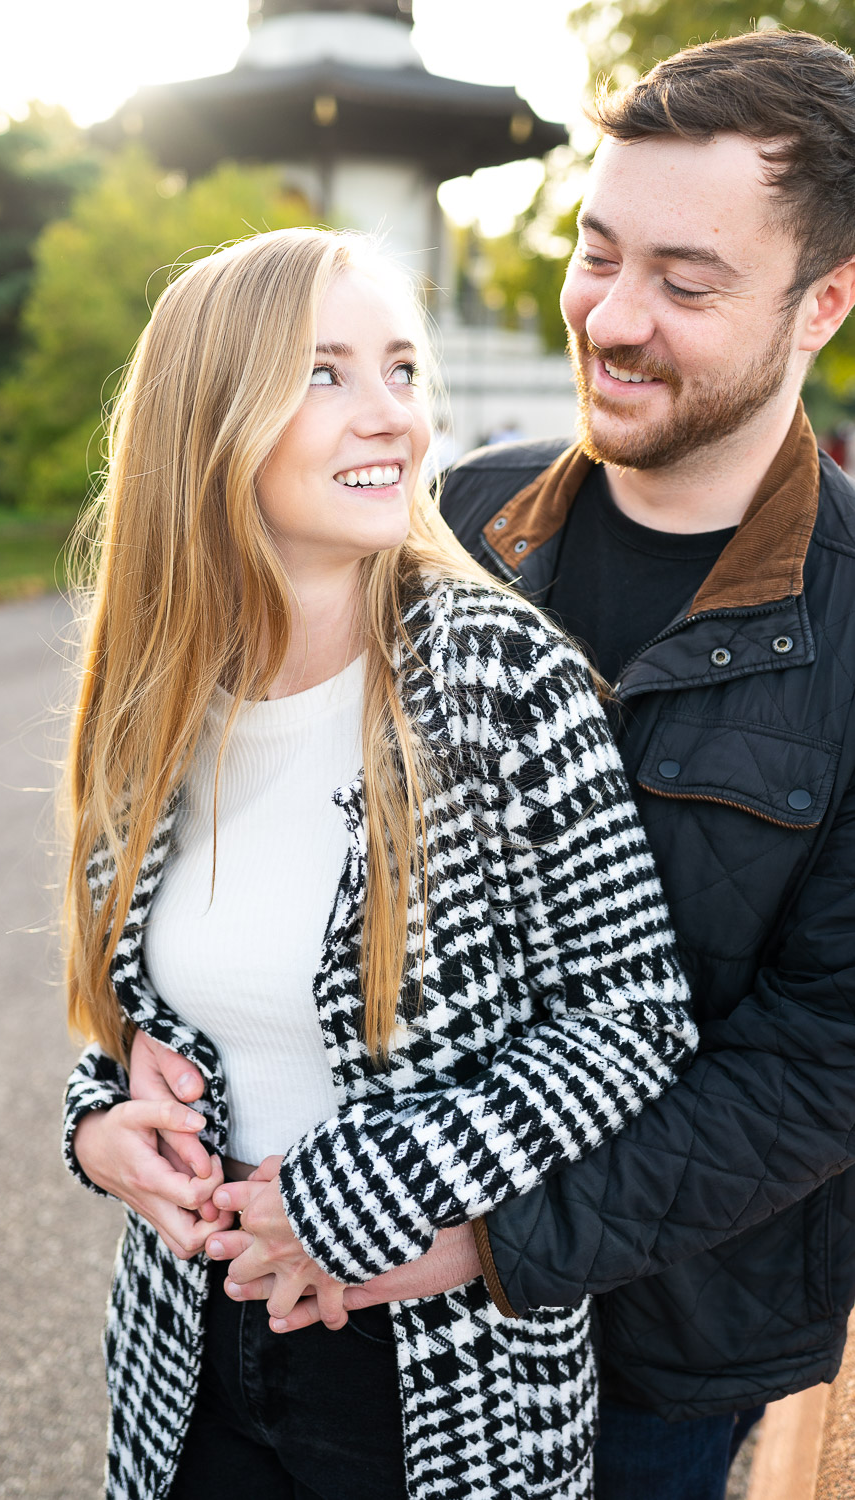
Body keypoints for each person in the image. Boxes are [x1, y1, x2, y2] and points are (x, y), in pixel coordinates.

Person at [171, 29, 855, 1500]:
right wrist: (115, 1101)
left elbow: (822, 1060)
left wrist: (480, 1239)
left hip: (661, 1337)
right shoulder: (442, 523)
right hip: (357, 1295)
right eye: (596, 255)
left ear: (824, 304)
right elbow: (238, 839)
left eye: (684, 284)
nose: (610, 318)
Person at [59, 226, 697, 1500]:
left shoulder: (498, 678)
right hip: (185, 1349)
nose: (389, 420)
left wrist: (373, 1187)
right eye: (326, 373)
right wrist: (97, 1130)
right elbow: (141, 1011)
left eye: (401, 371)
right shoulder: (151, 700)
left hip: (433, 1372)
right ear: (211, 414)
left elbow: (634, 1020)